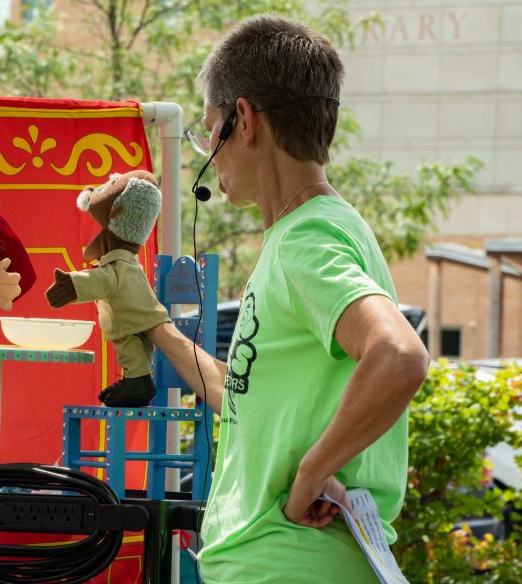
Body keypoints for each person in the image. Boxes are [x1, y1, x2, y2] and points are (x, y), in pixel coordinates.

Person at [144, 15, 430, 583]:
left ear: (243, 120)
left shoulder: (305, 240)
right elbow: (244, 396)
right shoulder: (326, 228)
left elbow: (400, 356)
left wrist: (309, 474)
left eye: (210, 130)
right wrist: (157, 327)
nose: (208, 152)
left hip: (287, 564)